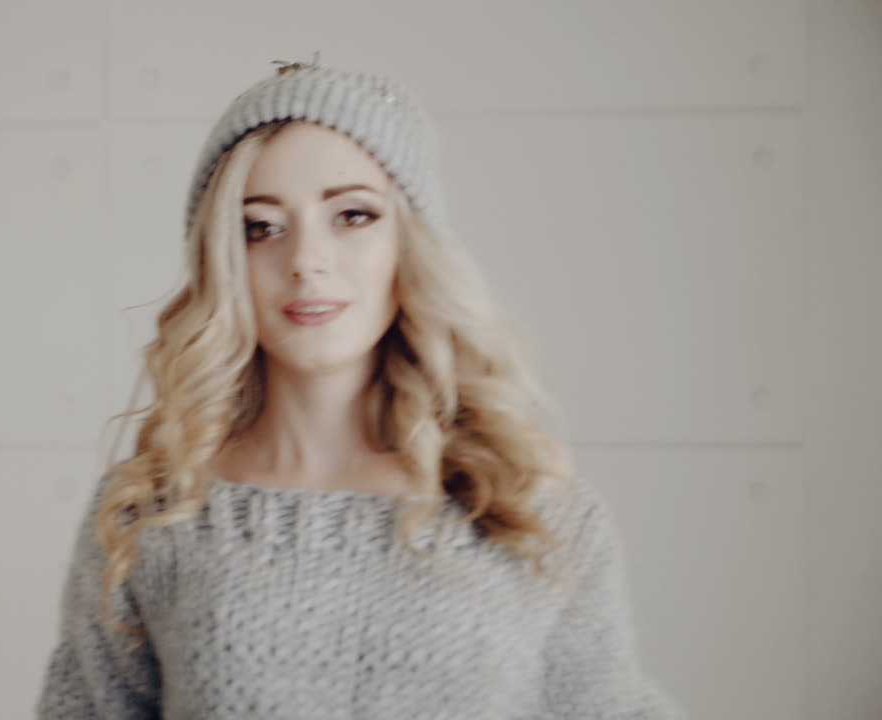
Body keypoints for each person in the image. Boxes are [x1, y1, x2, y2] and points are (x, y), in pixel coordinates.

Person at [35, 53, 684, 719]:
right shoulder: (151, 516)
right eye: (261, 228)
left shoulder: (530, 508)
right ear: (225, 260)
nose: (307, 262)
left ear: (412, 241)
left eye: (353, 216)